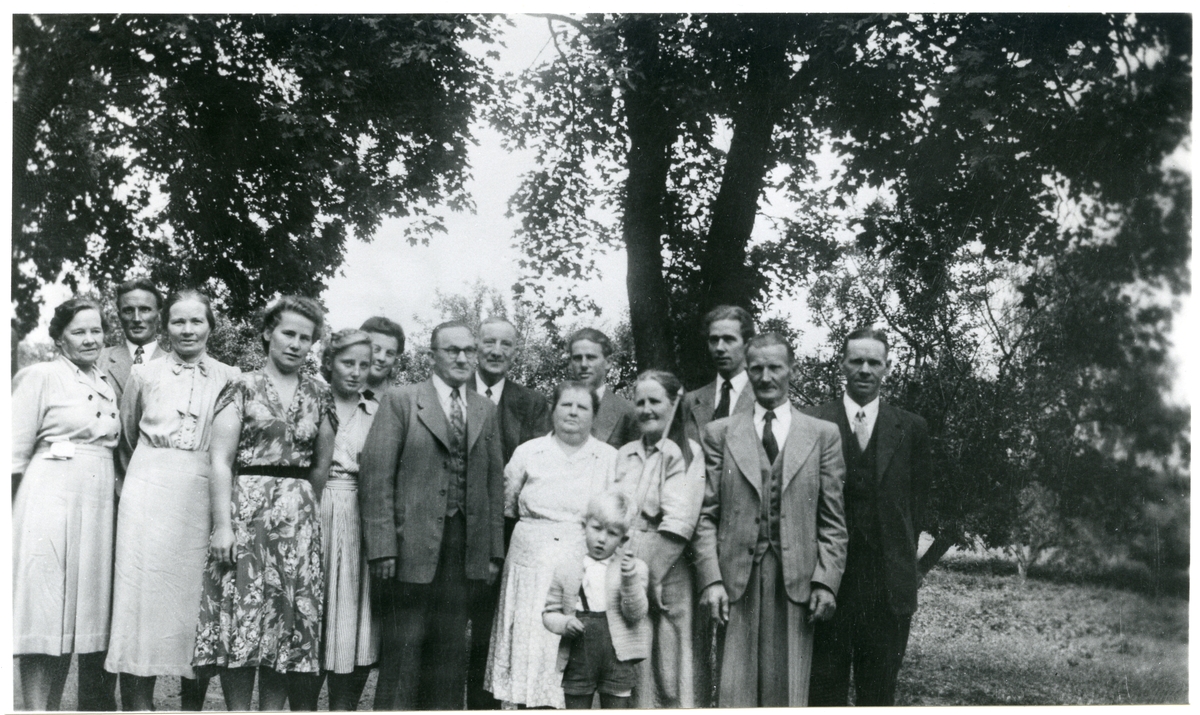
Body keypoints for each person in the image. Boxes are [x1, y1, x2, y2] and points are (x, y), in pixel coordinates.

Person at [192, 295, 333, 711]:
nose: (296, 344)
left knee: (284, 620)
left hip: (298, 522)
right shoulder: (242, 386)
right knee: (243, 614)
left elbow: (320, 468)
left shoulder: (320, 394)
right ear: (269, 332)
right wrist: (223, 526)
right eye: (288, 333)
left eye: (305, 338)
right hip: (245, 516)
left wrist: (298, 510)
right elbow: (220, 460)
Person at [693, 332, 848, 707]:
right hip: (736, 581)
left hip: (797, 581)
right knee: (734, 693)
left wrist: (826, 582)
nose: (766, 377)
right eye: (757, 368)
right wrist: (711, 579)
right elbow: (705, 515)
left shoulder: (822, 434)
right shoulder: (720, 433)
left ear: (791, 369)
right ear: (747, 370)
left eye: (775, 367)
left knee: (789, 692)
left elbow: (833, 520)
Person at [359, 321, 505, 710]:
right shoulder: (402, 400)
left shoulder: (484, 409)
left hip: (463, 549)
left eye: (469, 350)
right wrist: (382, 547)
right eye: (452, 350)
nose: (462, 358)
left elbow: (494, 484)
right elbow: (376, 478)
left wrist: (493, 552)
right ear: (432, 356)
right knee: (403, 652)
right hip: (410, 547)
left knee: (449, 656)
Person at [105, 289, 239, 711]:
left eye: (196, 321)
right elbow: (128, 437)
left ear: (211, 326)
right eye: (179, 321)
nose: (187, 329)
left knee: (194, 605)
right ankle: (139, 706)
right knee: (139, 602)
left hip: (200, 493)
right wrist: (151, 472)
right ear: (166, 326)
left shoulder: (230, 377)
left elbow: (229, 449)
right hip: (147, 491)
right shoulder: (144, 374)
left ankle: (190, 707)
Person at [807, 328, 932, 707]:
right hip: (828, 583)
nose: (865, 369)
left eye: (874, 362)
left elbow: (918, 504)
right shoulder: (812, 421)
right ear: (842, 364)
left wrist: (905, 561)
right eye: (857, 360)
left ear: (887, 367)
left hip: (886, 589)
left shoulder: (911, 428)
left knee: (878, 694)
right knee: (822, 692)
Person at [12, 297, 121, 711]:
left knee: (69, 622)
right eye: (79, 332)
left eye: (96, 330)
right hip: (50, 498)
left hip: (95, 506)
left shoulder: (105, 383)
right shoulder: (41, 375)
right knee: (44, 612)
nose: (90, 339)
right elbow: (12, 454)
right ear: (59, 338)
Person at [485, 381, 619, 709]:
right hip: (528, 561)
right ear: (553, 409)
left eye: (582, 407)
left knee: (567, 651)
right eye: (565, 405)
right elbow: (507, 504)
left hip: (578, 563)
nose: (573, 412)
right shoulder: (528, 451)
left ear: (594, 415)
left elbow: (613, 515)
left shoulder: (608, 458)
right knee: (527, 642)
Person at [465, 316, 550, 709]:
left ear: (516, 352)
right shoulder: (453, 391)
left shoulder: (531, 403)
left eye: (506, 344)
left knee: (491, 632)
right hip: (453, 529)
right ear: (476, 346)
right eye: (489, 342)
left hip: (506, 534)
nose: (496, 351)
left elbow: (536, 472)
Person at [612, 370, 706, 708]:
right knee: (633, 652)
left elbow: (681, 521)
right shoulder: (624, 453)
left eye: (655, 401)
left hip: (667, 564)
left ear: (673, 405)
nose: (646, 409)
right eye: (640, 402)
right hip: (626, 561)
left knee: (671, 662)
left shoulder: (686, 451)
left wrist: (650, 576)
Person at [315, 330, 380, 710]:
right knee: (314, 610)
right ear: (329, 363)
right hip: (316, 507)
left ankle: (344, 708)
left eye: (363, 364)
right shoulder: (311, 402)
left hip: (360, 513)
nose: (356, 372)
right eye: (347, 363)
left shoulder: (377, 412)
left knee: (355, 617)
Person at [542, 491, 651, 710]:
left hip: (618, 657)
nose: (602, 539)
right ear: (584, 526)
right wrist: (564, 623)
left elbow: (636, 614)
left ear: (623, 539)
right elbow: (549, 613)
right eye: (597, 528)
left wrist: (629, 578)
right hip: (579, 655)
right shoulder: (567, 569)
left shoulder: (634, 569)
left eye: (612, 533)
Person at [684, 305, 757, 444]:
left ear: (747, 345)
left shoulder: (764, 399)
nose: (719, 348)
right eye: (714, 340)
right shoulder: (689, 401)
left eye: (729, 339)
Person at [567, 328, 639, 448]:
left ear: (608, 362)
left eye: (591, 357)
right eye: (577, 358)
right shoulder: (554, 409)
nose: (583, 364)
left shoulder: (628, 411)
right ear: (570, 363)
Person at [100, 277, 167, 403]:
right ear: (120, 316)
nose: (136, 318)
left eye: (145, 309)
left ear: (158, 315)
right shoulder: (98, 361)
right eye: (128, 311)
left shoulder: (174, 365)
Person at [358, 316, 405, 401]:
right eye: (376, 349)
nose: (382, 358)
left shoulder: (399, 402)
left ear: (395, 360)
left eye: (389, 353)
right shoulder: (338, 391)